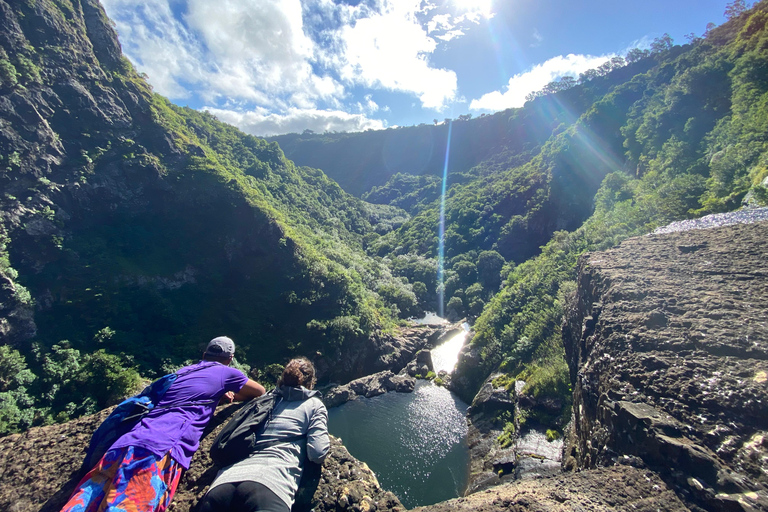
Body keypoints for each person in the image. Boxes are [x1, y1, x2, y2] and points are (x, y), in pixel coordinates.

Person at [61, 336, 266, 512]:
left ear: (204, 355)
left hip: (122, 445)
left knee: (81, 503)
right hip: (157, 450)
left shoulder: (183, 372)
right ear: (230, 359)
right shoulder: (226, 373)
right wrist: (226, 394)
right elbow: (259, 392)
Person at [198, 357, 330, 512]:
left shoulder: (264, 399)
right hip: (270, 484)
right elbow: (317, 453)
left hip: (223, 483)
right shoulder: (314, 405)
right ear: (310, 383)